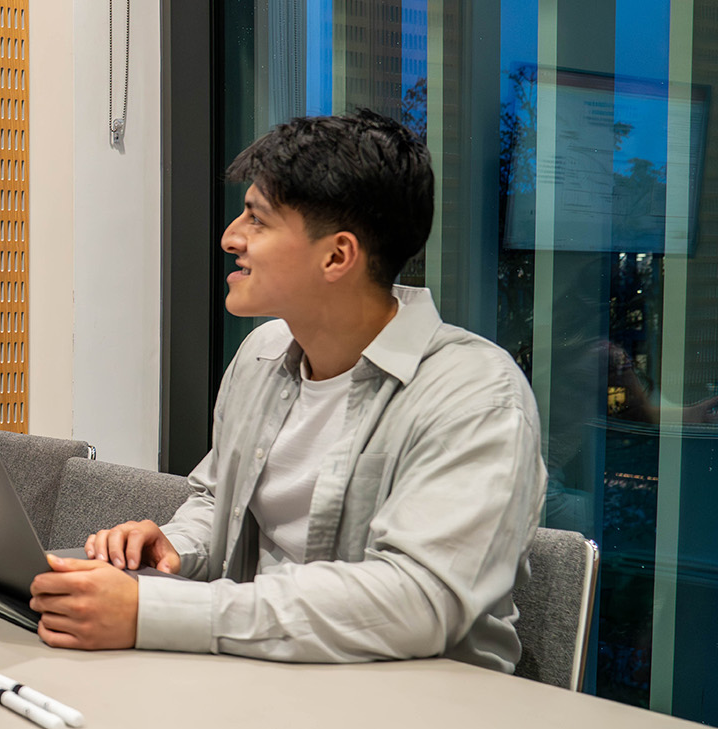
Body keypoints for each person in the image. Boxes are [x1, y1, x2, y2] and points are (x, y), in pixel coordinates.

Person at [38, 110, 545, 671]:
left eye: (257, 220)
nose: (232, 237)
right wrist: (176, 549)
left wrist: (157, 612)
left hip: (414, 706)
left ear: (336, 255)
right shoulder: (262, 354)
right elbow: (216, 500)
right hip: (263, 668)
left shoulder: (475, 394)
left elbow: (417, 600)